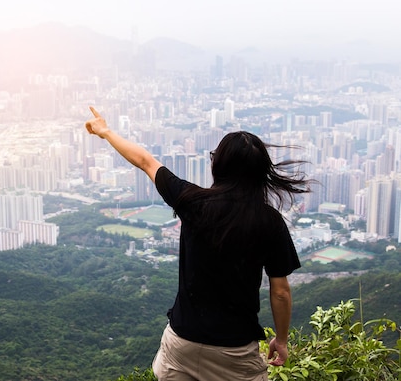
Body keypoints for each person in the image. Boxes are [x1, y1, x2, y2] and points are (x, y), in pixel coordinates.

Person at [85, 106, 311, 381]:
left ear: (219, 165)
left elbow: (145, 161)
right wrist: (282, 339)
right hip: (235, 352)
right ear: (260, 173)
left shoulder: (192, 201)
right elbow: (280, 292)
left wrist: (106, 131)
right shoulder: (270, 221)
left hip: (182, 344)